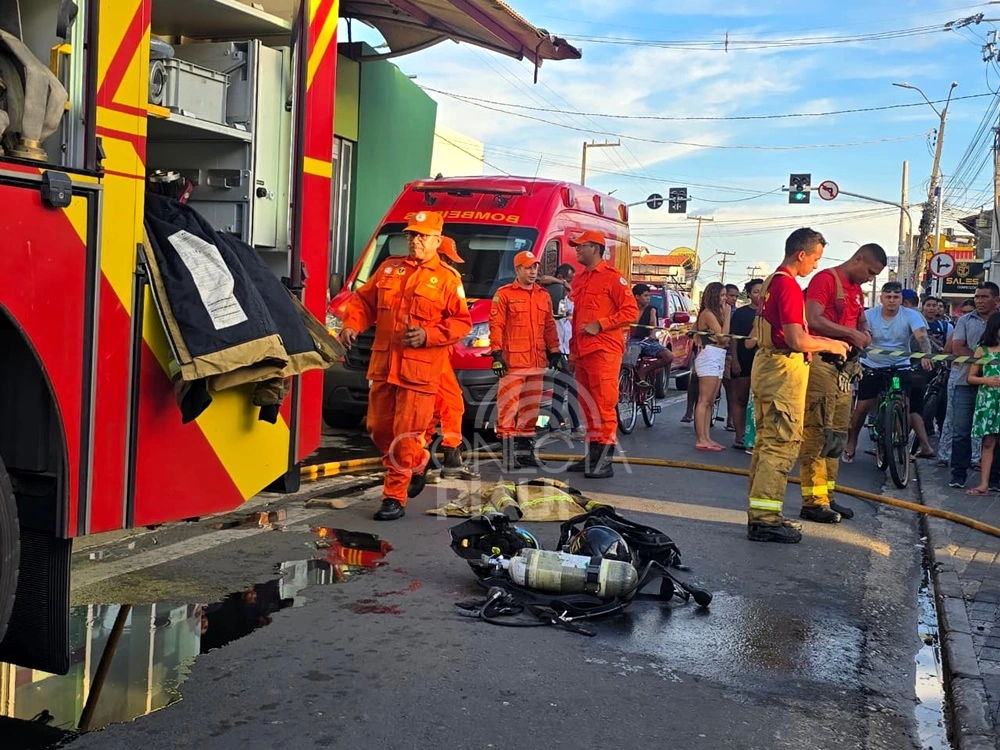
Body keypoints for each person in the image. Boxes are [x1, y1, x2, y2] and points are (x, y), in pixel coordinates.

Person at [339, 211, 472, 521]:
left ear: (437, 241)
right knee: (378, 430)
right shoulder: (389, 269)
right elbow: (363, 302)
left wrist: (428, 334)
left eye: (422, 236)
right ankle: (419, 462)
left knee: (405, 436)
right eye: (412, 235)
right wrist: (352, 324)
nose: (415, 240)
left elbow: (461, 322)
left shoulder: (448, 280)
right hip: (384, 367)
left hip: (419, 373)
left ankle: (393, 497)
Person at [747, 228, 849, 544]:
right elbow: (795, 339)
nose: (816, 266)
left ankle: (763, 515)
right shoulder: (789, 286)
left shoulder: (769, 283)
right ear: (801, 255)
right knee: (781, 443)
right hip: (782, 370)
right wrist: (832, 344)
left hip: (767, 367)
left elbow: (758, 335)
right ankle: (765, 520)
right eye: (816, 258)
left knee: (766, 443)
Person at [797, 244, 885, 523]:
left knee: (837, 435)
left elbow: (860, 320)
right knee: (817, 431)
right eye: (869, 271)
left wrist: (865, 331)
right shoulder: (825, 279)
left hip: (846, 369)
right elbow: (813, 319)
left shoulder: (856, 290)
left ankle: (827, 495)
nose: (870, 278)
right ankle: (812, 500)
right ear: (858, 258)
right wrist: (850, 334)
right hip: (822, 365)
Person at [566, 230, 639, 479]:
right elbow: (576, 319)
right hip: (584, 351)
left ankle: (604, 460)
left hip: (604, 350)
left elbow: (631, 312)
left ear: (595, 248)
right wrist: (573, 353)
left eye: (581, 246)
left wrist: (602, 324)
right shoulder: (581, 279)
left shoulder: (612, 279)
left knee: (604, 405)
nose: (577, 250)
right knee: (589, 404)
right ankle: (593, 455)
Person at [844, 282, 935, 463]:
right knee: (862, 408)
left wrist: (927, 354)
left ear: (901, 299)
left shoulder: (911, 315)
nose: (892, 301)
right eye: (888, 297)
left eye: (896, 297)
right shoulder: (869, 315)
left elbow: (922, 336)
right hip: (872, 366)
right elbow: (860, 334)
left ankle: (900, 443)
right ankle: (851, 442)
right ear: (881, 298)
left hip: (899, 367)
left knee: (903, 403)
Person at [489, 250, 562, 470]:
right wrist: (497, 354)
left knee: (531, 408)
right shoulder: (504, 294)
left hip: (536, 362)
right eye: (529, 267)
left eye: (535, 267)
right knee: (509, 408)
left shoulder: (543, 295)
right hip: (513, 363)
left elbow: (549, 326)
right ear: (518, 269)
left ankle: (525, 451)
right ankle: (509, 453)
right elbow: (496, 326)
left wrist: (555, 352)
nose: (533, 271)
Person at [423, 237, 478, 480]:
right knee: (451, 404)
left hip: (430, 354)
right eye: (450, 260)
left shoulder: (424, 279)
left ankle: (419, 458)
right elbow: (458, 322)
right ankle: (449, 460)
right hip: (431, 355)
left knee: (431, 410)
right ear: (442, 257)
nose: (454, 267)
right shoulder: (443, 281)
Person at [948, 282, 1000, 489]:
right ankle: (958, 473)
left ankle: (994, 477)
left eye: (984, 297)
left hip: (995, 389)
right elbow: (958, 347)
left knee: (995, 434)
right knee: (961, 430)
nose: (979, 300)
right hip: (966, 382)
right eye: (977, 296)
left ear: (996, 300)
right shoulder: (965, 320)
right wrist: (985, 363)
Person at [938, 297, 980, 468]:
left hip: (986, 376)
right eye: (964, 312)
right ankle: (945, 454)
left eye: (970, 312)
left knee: (979, 417)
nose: (966, 315)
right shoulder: (961, 325)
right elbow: (952, 349)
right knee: (953, 416)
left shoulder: (993, 324)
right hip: (960, 374)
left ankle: (975, 457)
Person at [693, 282, 730, 451]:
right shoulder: (708, 313)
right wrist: (727, 316)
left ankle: (707, 437)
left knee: (711, 400)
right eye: (722, 295)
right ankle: (701, 438)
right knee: (704, 399)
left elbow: (724, 338)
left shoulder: (717, 313)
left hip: (718, 355)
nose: (725, 299)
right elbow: (723, 337)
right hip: (710, 355)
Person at [965, 312, 1000, 495]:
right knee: (988, 441)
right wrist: (987, 381)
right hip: (988, 400)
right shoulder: (983, 350)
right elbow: (971, 377)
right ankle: (984, 483)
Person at [729, 278, 764, 450]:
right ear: (749, 294)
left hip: (763, 363)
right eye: (756, 292)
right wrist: (734, 360)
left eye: (762, 291)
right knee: (740, 398)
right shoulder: (741, 313)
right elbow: (734, 339)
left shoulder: (769, 312)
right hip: (743, 359)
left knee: (758, 401)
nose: (759, 295)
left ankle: (755, 436)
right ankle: (739, 435)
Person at [549, 264, 582, 435]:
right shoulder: (551, 291)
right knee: (571, 385)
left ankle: (554, 425)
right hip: (557, 348)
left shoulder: (566, 296)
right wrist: (562, 284)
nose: (571, 283)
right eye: (568, 279)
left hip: (567, 346)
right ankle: (575, 426)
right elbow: (544, 279)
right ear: (561, 277)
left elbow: (572, 312)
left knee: (561, 387)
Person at [630, 284, 674, 386]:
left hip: (646, 341)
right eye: (646, 296)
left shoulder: (651, 310)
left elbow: (653, 325)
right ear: (637, 296)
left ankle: (644, 370)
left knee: (669, 356)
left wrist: (653, 334)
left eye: (649, 296)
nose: (648, 298)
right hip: (630, 343)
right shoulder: (629, 309)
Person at [722, 283, 741, 430]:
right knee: (695, 382)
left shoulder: (736, 313)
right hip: (713, 352)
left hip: (728, 354)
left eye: (736, 296)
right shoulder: (715, 311)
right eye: (730, 295)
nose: (733, 298)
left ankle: (730, 419)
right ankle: (690, 412)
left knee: (731, 390)